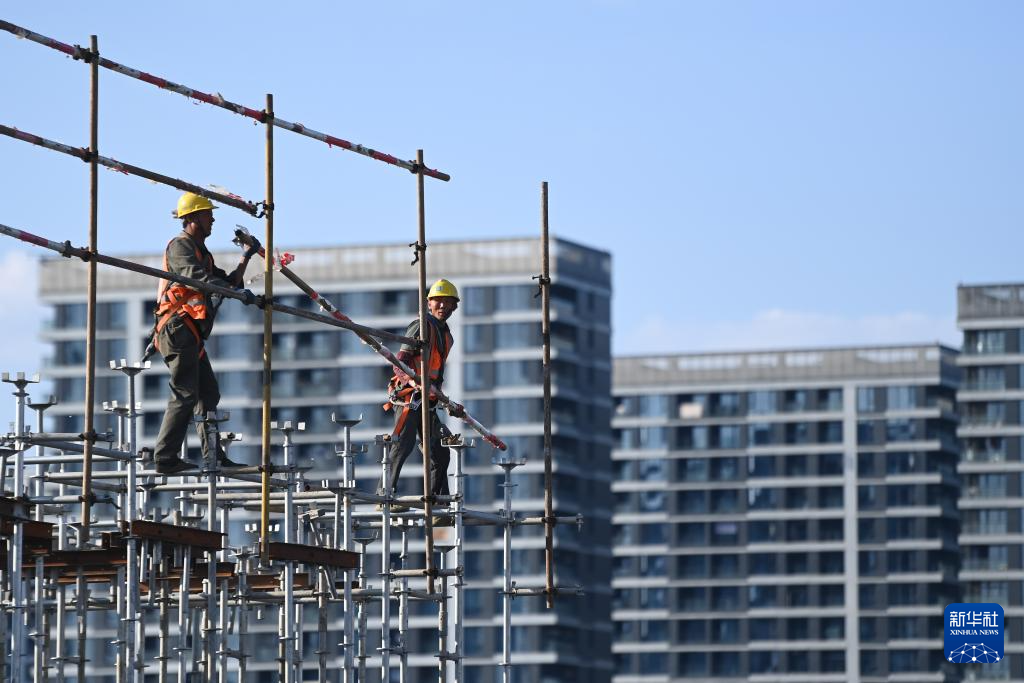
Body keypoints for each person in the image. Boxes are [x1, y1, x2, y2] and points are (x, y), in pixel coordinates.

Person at [152, 192, 260, 474]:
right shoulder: (180, 247)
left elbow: (228, 282)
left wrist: (246, 257)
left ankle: (213, 453)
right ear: (192, 218)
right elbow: (196, 278)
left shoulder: (203, 255)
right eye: (207, 214)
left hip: (190, 333)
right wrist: (234, 293)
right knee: (185, 392)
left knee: (208, 393)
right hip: (177, 328)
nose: (212, 219)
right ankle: (165, 457)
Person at [380, 278, 466, 508]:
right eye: (438, 302)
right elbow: (399, 361)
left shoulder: (446, 335)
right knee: (402, 445)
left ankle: (437, 503)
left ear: (454, 308)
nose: (443, 307)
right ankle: (386, 495)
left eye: (448, 304)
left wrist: (444, 399)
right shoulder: (421, 326)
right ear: (429, 304)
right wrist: (410, 380)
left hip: (428, 401)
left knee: (441, 451)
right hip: (410, 398)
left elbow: (437, 373)